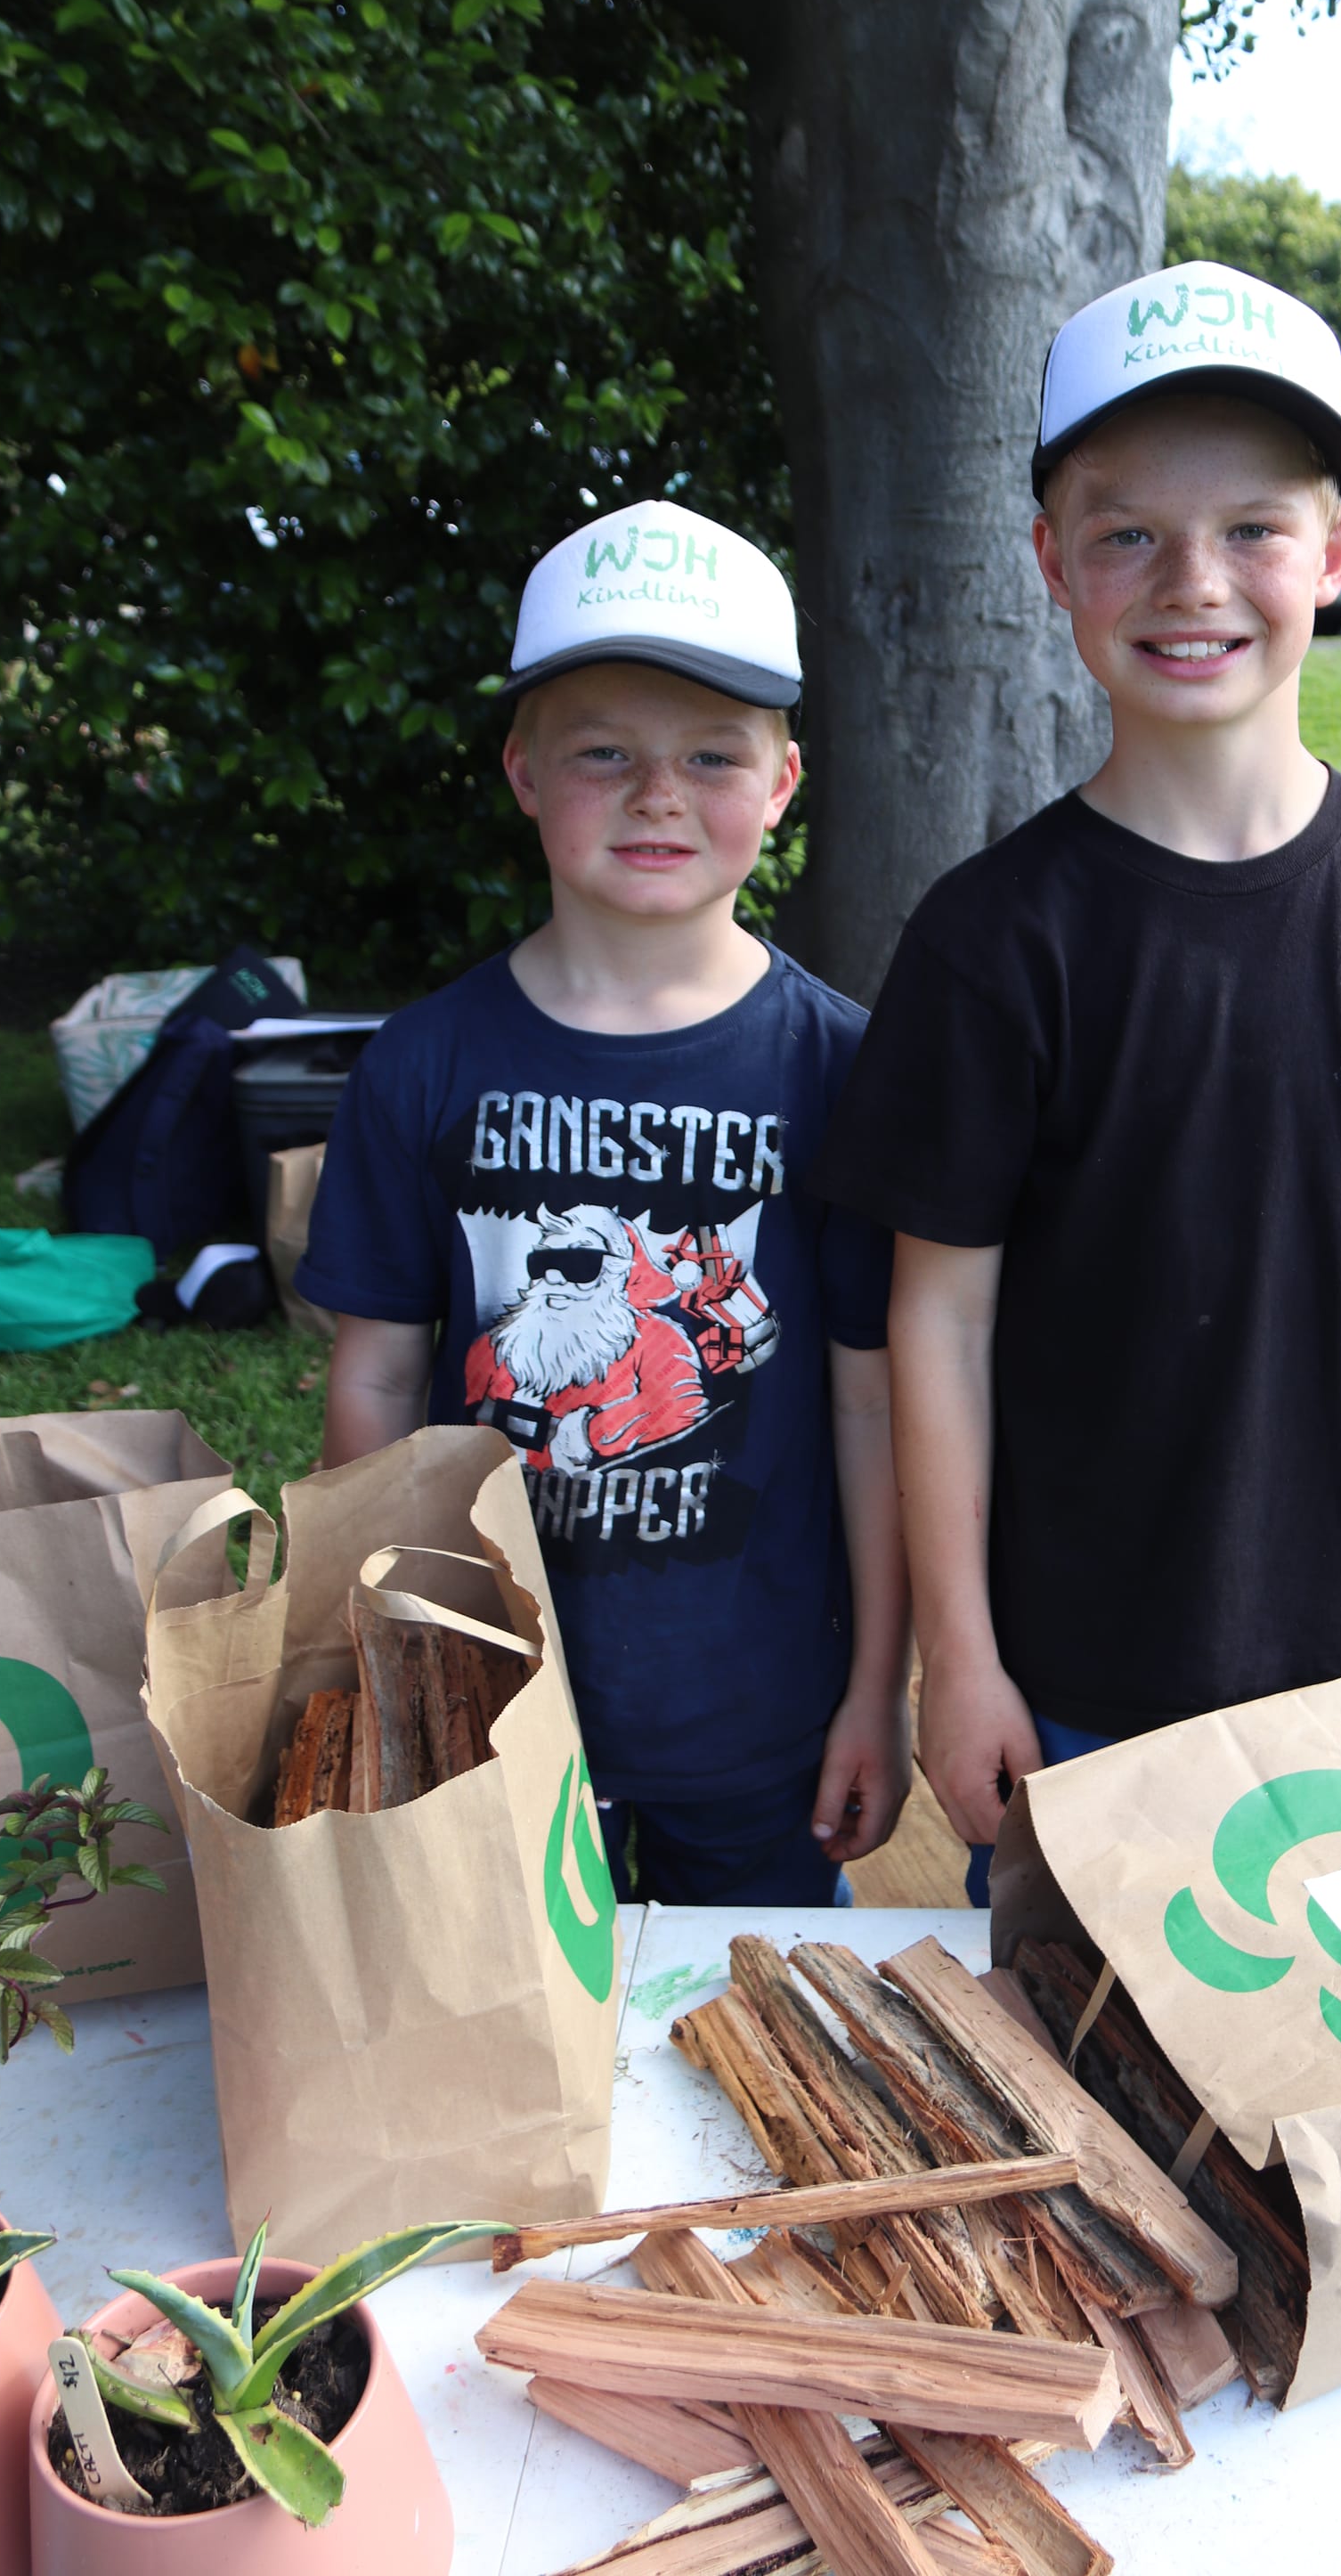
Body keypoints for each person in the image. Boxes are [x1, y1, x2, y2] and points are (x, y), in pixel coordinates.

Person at [811, 261, 1341, 1899]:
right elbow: (935, 1319)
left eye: (1251, 529)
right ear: (1052, 566)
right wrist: (966, 1658)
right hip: (1084, 1697)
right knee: (1089, 2125)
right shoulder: (991, 942)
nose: (1191, 581)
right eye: (1127, 530)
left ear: (1340, 554)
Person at [298, 500, 910, 1906]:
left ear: (785, 780)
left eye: (711, 754)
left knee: (742, 2058)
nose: (658, 794)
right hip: (488, 1705)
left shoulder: (843, 1070)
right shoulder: (424, 1063)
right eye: (604, 753)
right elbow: (379, 1376)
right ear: (522, 769)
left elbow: (874, 1400)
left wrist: (882, 1682)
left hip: (761, 1716)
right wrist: (387, 1655)